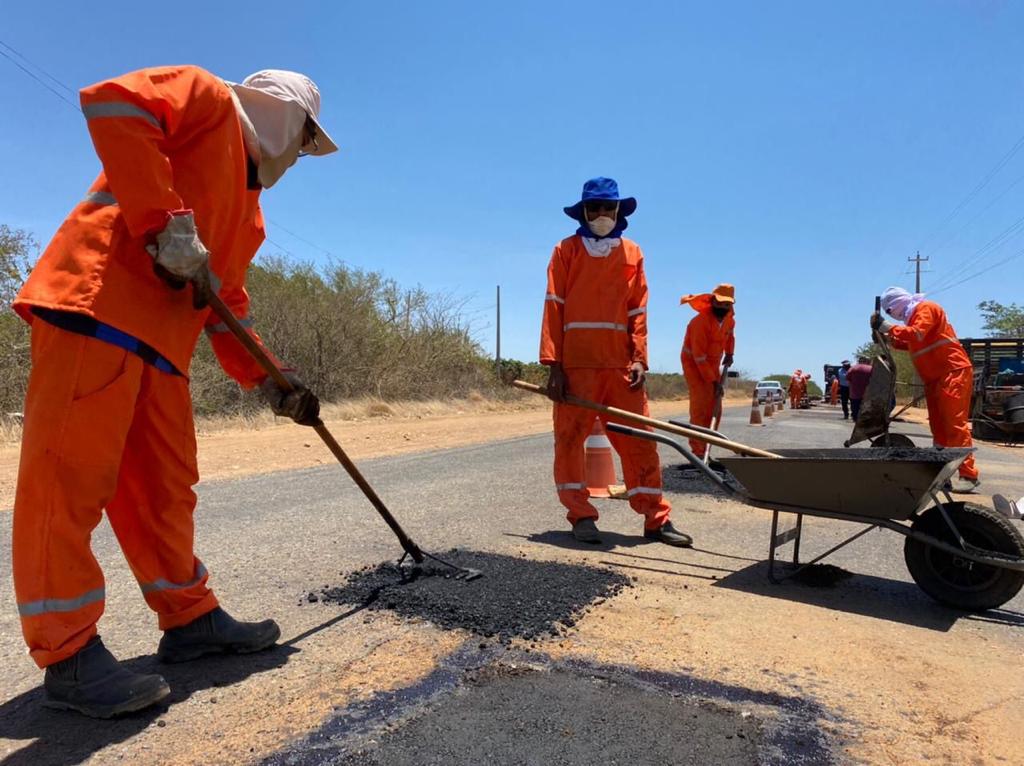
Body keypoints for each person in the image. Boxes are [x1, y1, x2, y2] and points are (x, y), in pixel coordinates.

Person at [11, 66, 338, 718]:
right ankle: (67, 653)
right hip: (98, 307)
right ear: (282, 113)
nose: (302, 154)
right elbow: (113, 102)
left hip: (163, 349)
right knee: (67, 481)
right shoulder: (206, 99)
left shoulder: (248, 216)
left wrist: (273, 381)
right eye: (305, 138)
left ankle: (190, 620)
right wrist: (164, 221)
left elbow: (227, 306)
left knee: (167, 490)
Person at [541, 177, 690, 548]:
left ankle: (656, 518)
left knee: (641, 441)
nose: (602, 214)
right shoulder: (565, 251)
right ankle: (581, 516)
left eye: (609, 207)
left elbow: (638, 310)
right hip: (576, 367)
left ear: (619, 210)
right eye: (595, 208)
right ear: (584, 212)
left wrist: (640, 359)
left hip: (622, 369)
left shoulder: (633, 252)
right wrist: (554, 365)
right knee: (570, 441)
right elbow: (554, 306)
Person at [872, 287, 980, 493]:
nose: (891, 315)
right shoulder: (913, 318)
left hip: (952, 371)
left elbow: (917, 334)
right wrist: (887, 339)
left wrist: (887, 328)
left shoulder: (926, 308)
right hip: (935, 378)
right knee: (938, 427)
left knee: (954, 425)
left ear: (897, 304)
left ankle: (968, 474)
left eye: (890, 311)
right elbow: (910, 343)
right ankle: (942, 471)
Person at [680, 284, 736, 470]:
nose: (723, 307)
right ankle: (697, 454)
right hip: (694, 365)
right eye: (719, 303)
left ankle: (706, 451)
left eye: (726, 304)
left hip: (712, 364)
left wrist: (730, 353)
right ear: (712, 301)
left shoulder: (729, 320)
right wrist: (713, 382)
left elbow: (730, 336)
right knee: (701, 409)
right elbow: (698, 356)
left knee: (715, 409)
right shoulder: (700, 323)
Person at [846, 356, 873, 421]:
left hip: (854, 394)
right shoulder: (872, 369)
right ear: (868, 361)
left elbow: (848, 379)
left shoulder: (852, 368)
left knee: (855, 410)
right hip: (868, 394)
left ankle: (855, 419)